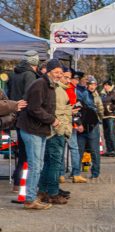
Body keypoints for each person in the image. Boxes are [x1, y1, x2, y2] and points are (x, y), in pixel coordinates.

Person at [16, 59, 63, 210]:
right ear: (48, 71)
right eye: (56, 72)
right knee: (35, 165)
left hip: (40, 129)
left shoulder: (50, 85)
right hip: (31, 129)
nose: (59, 75)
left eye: (60, 73)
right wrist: (52, 120)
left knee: (39, 164)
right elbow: (34, 109)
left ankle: (32, 196)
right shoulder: (40, 84)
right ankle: (30, 199)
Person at [37, 66, 73, 205]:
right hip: (56, 132)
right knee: (54, 164)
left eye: (68, 77)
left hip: (54, 131)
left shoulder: (60, 89)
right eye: (64, 76)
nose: (67, 79)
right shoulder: (57, 90)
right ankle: (52, 193)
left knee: (49, 163)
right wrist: (62, 130)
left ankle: (44, 191)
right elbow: (57, 113)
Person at [6, 50, 39, 192]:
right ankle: (21, 183)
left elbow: (8, 94)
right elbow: (30, 96)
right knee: (28, 152)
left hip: (16, 115)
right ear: (34, 63)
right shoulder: (30, 75)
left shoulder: (14, 74)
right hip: (27, 117)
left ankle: (17, 181)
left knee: (22, 150)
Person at [61, 70, 86, 183]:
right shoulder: (70, 89)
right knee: (74, 149)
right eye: (75, 79)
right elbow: (73, 110)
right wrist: (78, 123)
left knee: (61, 150)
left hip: (62, 122)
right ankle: (76, 174)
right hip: (69, 124)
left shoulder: (64, 88)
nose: (77, 81)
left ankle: (60, 174)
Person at [76, 75, 104, 179]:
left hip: (93, 126)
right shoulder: (82, 94)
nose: (92, 86)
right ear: (87, 85)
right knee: (79, 149)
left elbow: (101, 109)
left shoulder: (97, 96)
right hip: (82, 125)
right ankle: (76, 171)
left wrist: (98, 119)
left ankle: (95, 172)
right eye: (90, 84)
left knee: (94, 150)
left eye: (94, 84)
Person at [100, 79, 115, 157]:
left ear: (110, 86)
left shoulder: (114, 93)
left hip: (111, 116)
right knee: (106, 134)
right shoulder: (103, 94)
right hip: (104, 116)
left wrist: (109, 108)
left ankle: (113, 150)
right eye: (104, 85)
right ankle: (108, 150)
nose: (105, 87)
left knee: (111, 133)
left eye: (107, 85)